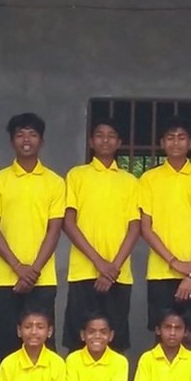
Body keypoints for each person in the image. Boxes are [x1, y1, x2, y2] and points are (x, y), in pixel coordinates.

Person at [0, 113, 66, 357]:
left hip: (43, 279)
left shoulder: (55, 182)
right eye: (20, 135)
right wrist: (18, 267)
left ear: (42, 141)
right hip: (3, 278)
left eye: (32, 134)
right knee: (5, 347)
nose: (26, 140)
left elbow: (54, 230)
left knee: (41, 347)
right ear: (12, 141)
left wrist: (33, 271)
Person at [62, 117, 142, 353]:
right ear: (90, 141)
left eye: (111, 136)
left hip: (119, 275)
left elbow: (135, 227)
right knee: (78, 340)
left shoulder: (130, 181)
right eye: (99, 135)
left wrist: (113, 268)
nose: (105, 140)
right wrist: (99, 263)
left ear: (119, 143)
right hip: (83, 272)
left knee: (115, 340)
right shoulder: (76, 175)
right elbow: (69, 223)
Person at [138, 116, 191, 333]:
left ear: (190, 143)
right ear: (162, 143)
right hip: (160, 273)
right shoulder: (149, 179)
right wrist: (174, 262)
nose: (176, 142)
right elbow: (146, 228)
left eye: (181, 137)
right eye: (170, 138)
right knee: (162, 335)